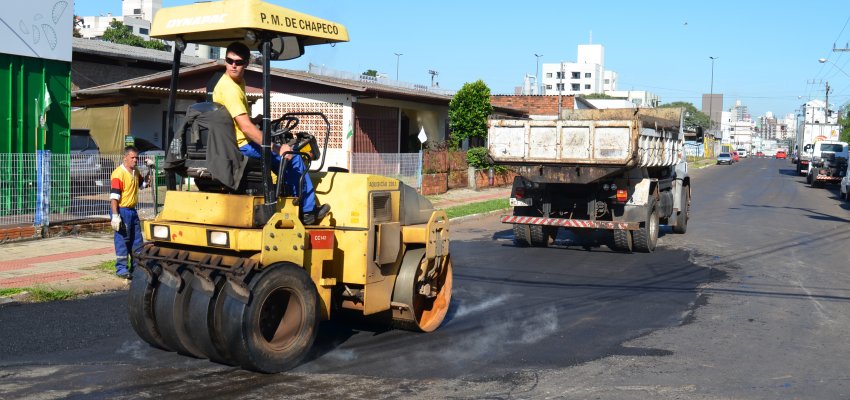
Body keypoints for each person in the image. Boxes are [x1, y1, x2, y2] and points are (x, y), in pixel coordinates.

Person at [212, 41, 329, 225]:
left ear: (247, 63)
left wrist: (255, 120)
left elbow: (239, 121)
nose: (233, 65)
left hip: (236, 142)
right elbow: (246, 129)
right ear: (225, 60)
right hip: (243, 146)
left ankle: (292, 199)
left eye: (238, 62)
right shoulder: (230, 88)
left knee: (285, 157)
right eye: (229, 60)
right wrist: (276, 148)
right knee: (293, 157)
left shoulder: (235, 82)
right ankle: (308, 212)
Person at [109, 146, 148, 280]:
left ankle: (137, 267)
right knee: (122, 240)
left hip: (132, 210)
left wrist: (150, 170)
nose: (135, 160)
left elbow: (143, 185)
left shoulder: (135, 171)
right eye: (132, 158)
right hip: (122, 210)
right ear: (125, 158)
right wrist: (115, 216)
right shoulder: (118, 174)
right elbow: (114, 197)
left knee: (137, 240)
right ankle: (121, 269)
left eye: (137, 157)